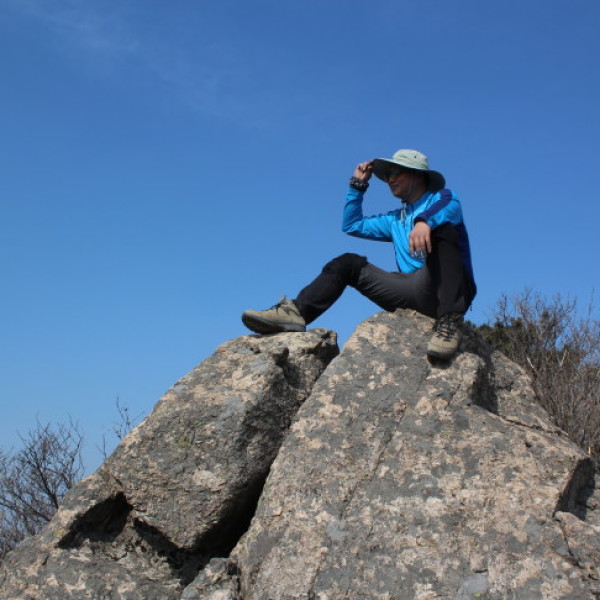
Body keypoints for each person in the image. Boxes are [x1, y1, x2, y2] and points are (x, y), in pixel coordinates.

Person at [241, 149, 476, 360]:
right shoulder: (396, 219)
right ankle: (296, 313)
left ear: (418, 175)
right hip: (409, 289)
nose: (390, 179)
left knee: (443, 230)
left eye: (397, 172)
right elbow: (352, 225)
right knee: (348, 263)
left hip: (444, 287)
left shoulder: (444, 198)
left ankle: (449, 323)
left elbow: (446, 209)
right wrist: (357, 186)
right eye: (387, 174)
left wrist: (423, 222)